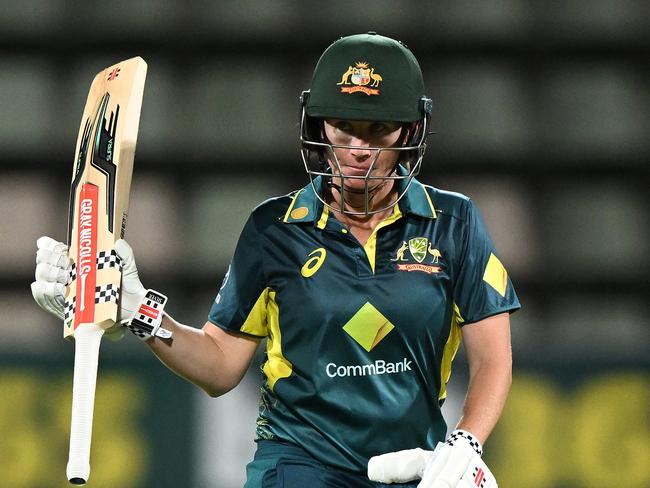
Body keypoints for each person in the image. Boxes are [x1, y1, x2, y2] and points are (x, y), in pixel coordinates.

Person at [32, 32, 520, 488]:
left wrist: (466, 442)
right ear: (317, 123)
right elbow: (221, 366)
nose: (356, 150)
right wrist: (139, 310)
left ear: (411, 129)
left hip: (415, 465)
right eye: (343, 128)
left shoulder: (453, 222)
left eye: (379, 130)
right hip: (298, 463)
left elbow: (493, 359)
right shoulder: (273, 229)